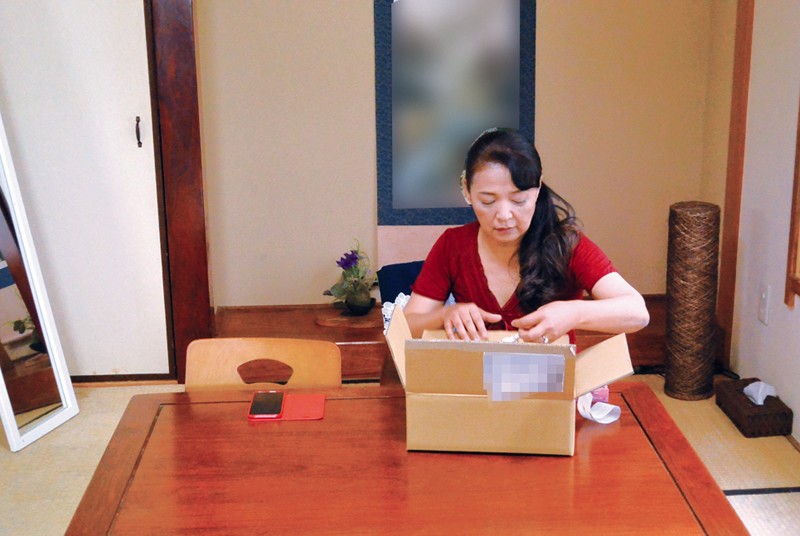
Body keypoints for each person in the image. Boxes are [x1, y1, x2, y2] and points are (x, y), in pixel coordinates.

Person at [403, 128, 649, 343]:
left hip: (548, 378)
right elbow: (407, 325)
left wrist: (574, 313)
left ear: (538, 187)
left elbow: (637, 313)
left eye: (519, 200)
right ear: (467, 190)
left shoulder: (566, 245)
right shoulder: (453, 245)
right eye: (487, 201)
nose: (504, 215)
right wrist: (445, 314)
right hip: (475, 376)